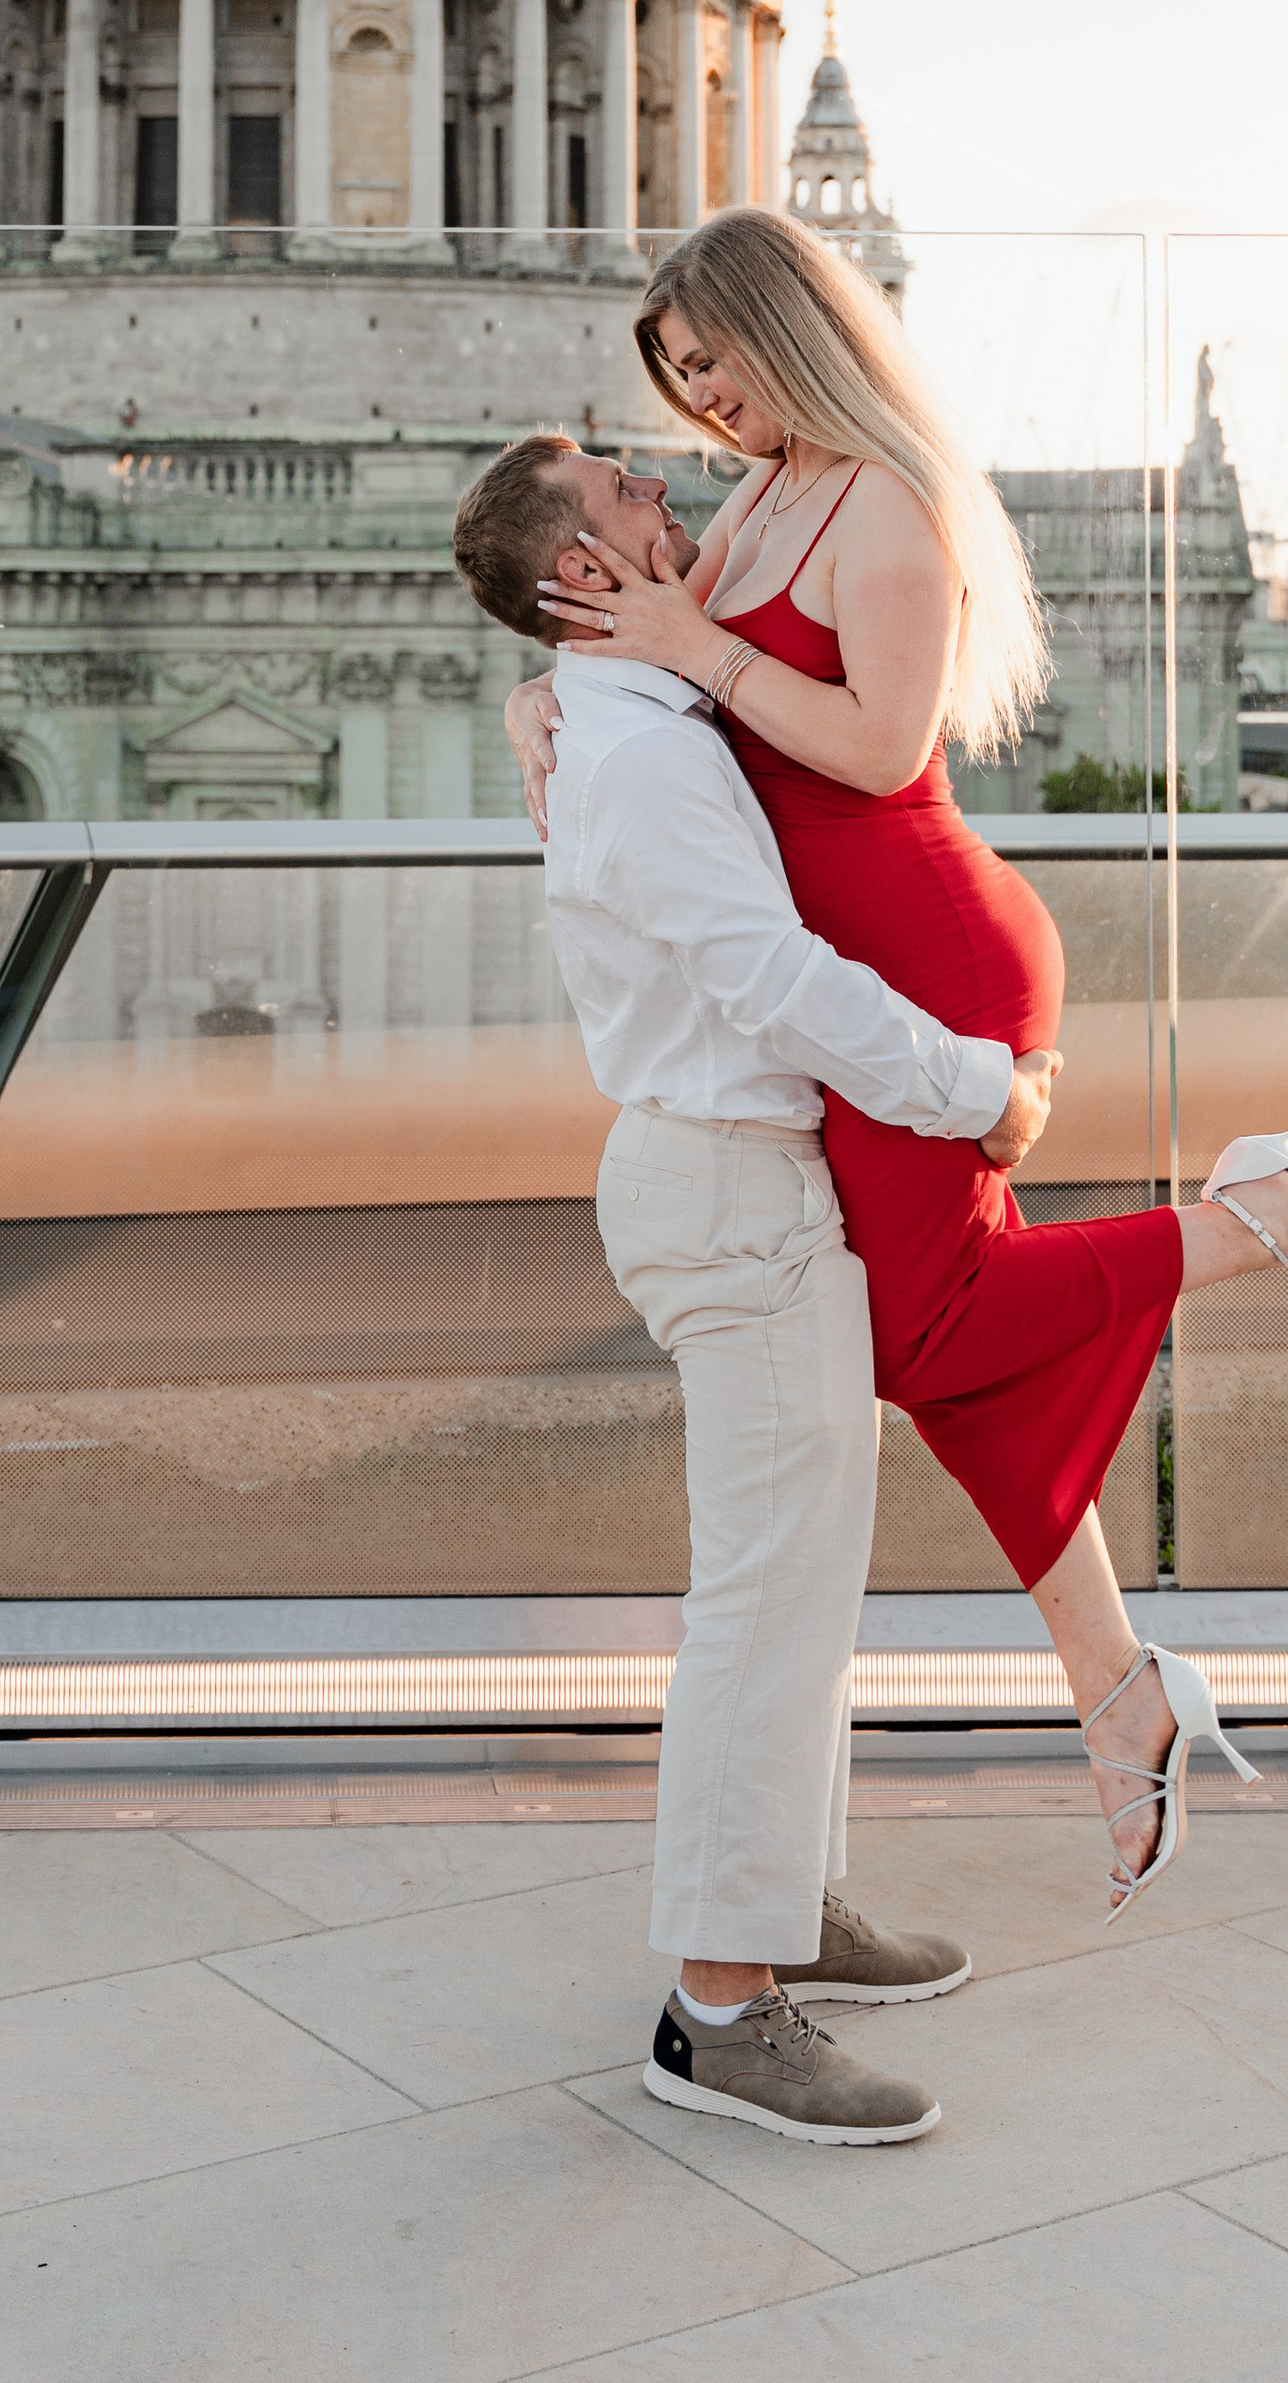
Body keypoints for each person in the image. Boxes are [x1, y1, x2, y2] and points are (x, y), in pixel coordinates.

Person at [503, 208, 1288, 1917]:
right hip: (858, 974)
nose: (700, 402)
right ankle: (1119, 1690)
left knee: (928, 1328)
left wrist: (688, 650)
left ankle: (1264, 1217)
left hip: (924, 957)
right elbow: (671, 699)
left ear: (789, 328)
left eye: (713, 359)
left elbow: (877, 743)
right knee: (937, 1353)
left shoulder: (886, 500)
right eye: (677, 379)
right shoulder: (762, 499)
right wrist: (553, 694)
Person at [453, 430, 1056, 2145]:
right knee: (765, 1605)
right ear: (583, 575)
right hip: (730, 1181)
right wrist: (973, 1089)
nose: (674, 495)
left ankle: (785, 1906)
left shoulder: (634, 716)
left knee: (801, 1588)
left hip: (732, 1176)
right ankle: (720, 2009)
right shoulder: (636, 751)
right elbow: (769, 973)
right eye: (634, 494)